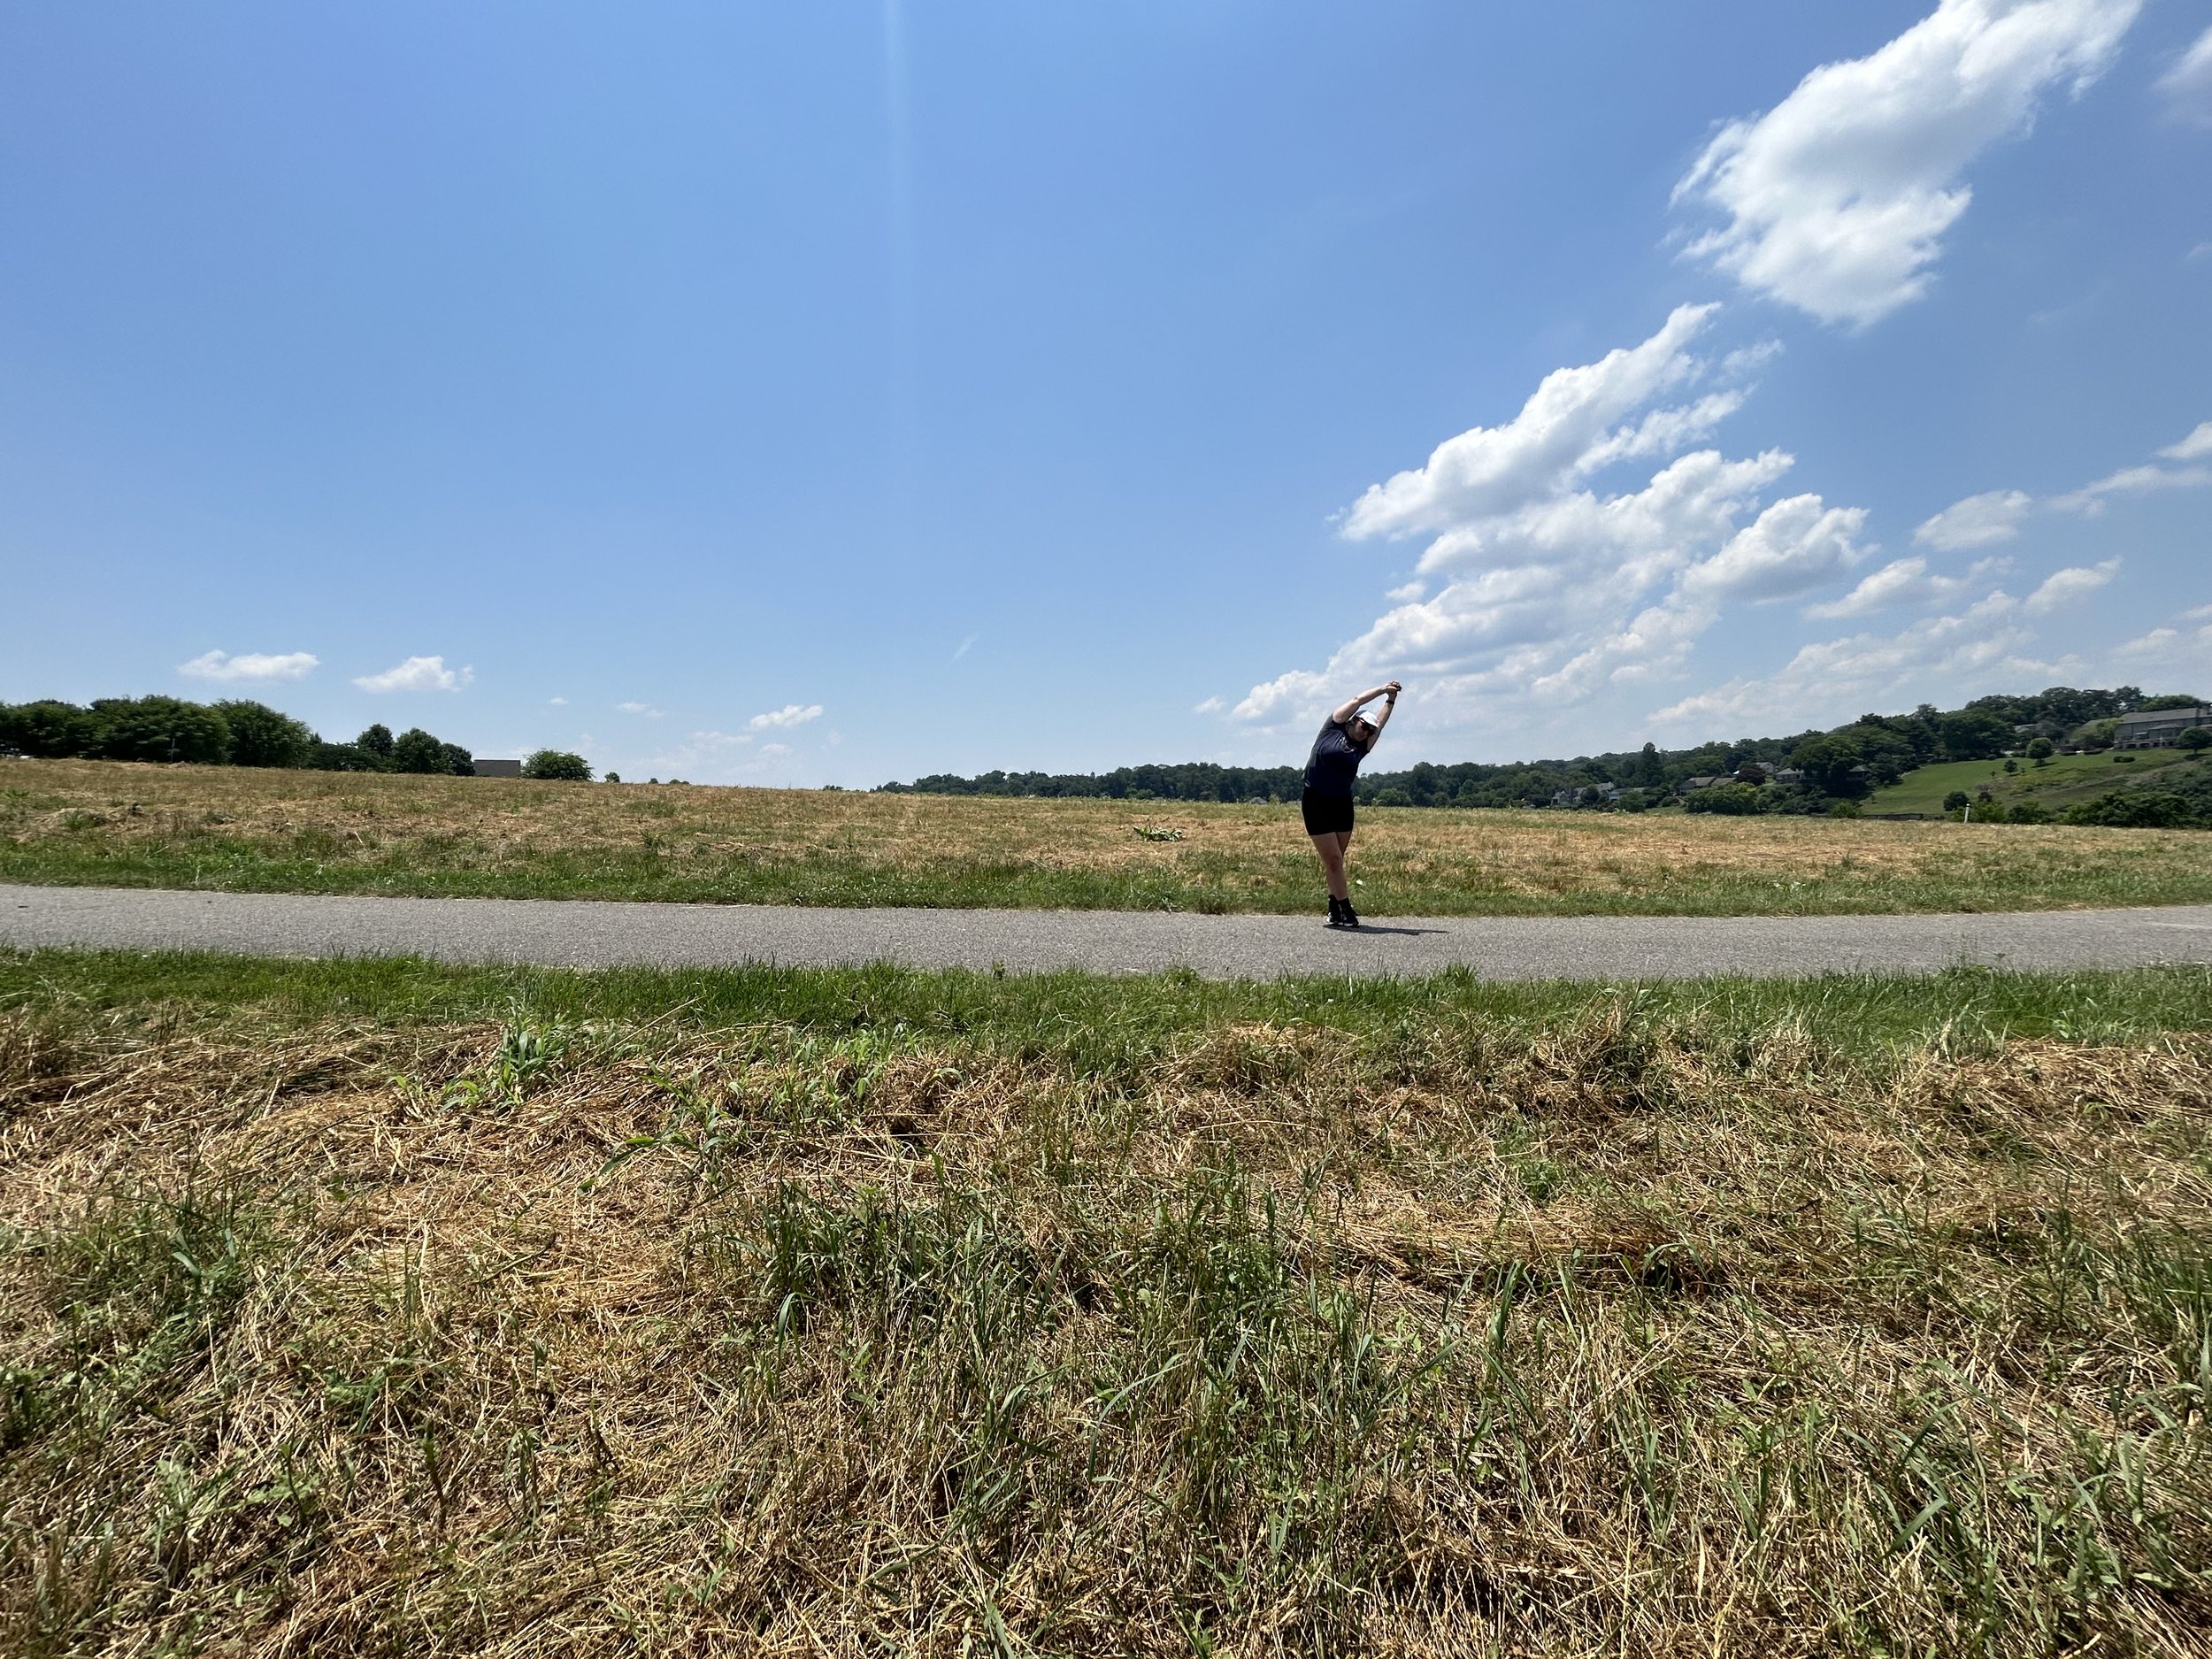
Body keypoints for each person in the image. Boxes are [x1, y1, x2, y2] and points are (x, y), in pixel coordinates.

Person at [1302, 680, 1400, 928]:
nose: (1365, 732)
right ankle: (1347, 910)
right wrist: (1382, 689)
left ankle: (1333, 910)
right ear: (1352, 721)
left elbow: (1382, 723)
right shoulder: (1332, 728)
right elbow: (1357, 700)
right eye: (1363, 726)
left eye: (1369, 731)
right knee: (1333, 859)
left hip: (1342, 804)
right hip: (1316, 801)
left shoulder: (1362, 746)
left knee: (1336, 860)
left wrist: (1391, 701)